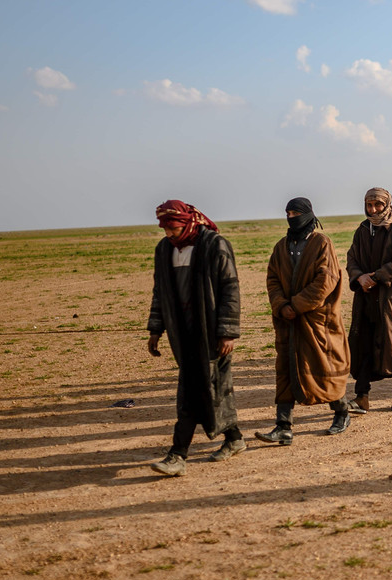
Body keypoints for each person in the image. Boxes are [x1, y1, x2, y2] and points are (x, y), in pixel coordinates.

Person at [147, 200, 245, 476]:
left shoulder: (214, 244)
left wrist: (227, 331)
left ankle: (178, 455)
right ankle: (234, 438)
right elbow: (160, 292)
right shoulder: (164, 249)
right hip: (182, 333)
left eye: (173, 228)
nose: (169, 234)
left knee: (201, 389)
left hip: (211, 332)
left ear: (187, 222)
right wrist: (156, 329)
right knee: (205, 387)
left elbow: (230, 289)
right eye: (165, 229)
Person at [259, 198, 351, 446]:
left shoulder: (321, 243)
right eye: (288, 212)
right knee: (287, 369)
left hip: (317, 320)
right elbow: (272, 279)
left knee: (323, 367)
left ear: (308, 214)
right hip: (288, 322)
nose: (291, 217)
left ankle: (341, 411)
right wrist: (281, 306)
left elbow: (326, 280)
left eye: (296, 213)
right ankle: (283, 426)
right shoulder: (281, 247)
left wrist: (297, 305)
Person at [346, 188, 392, 412]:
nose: (373, 209)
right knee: (365, 342)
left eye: (377, 205)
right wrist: (359, 277)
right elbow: (352, 258)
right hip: (368, 297)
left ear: (386, 204)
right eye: (369, 205)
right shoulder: (362, 230)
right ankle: (362, 396)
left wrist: (377, 277)